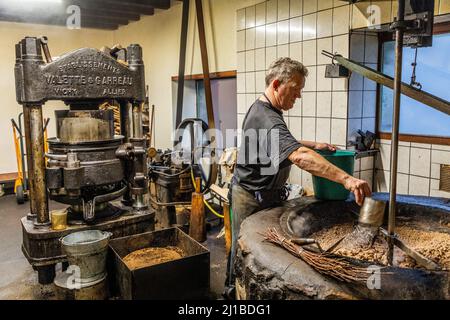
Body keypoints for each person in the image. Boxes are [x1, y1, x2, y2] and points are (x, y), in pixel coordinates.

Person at [223, 57, 372, 299]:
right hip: (251, 197)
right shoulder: (268, 117)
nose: (298, 96)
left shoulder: (264, 110)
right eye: (295, 89)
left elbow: (284, 143)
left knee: (256, 252)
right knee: (244, 255)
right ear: (276, 84)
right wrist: (348, 180)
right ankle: (232, 295)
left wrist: (315, 144)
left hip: (263, 193)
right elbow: (300, 156)